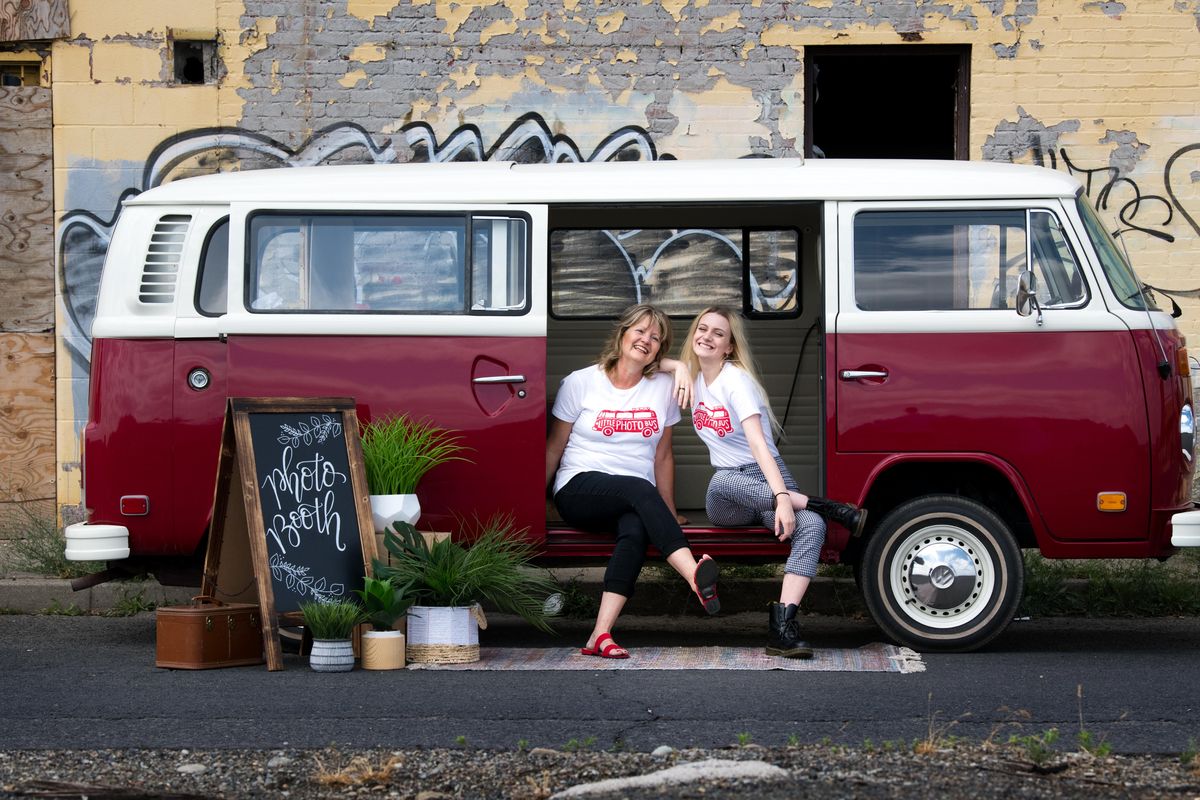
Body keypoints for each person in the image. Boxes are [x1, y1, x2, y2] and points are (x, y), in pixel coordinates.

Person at [676, 306, 866, 658]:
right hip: (731, 496)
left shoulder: (736, 381)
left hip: (766, 477)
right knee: (719, 482)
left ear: (729, 346)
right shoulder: (691, 375)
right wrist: (675, 367)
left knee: (811, 527)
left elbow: (760, 446)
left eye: (718, 333)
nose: (707, 336)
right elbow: (653, 364)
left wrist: (780, 496)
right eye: (702, 329)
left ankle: (783, 626)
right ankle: (820, 503)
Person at [546, 303, 720, 660]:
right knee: (638, 488)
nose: (646, 340)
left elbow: (663, 457)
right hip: (579, 488)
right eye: (640, 331)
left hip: (632, 498)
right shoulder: (581, 382)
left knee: (636, 529)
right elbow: (554, 448)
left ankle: (600, 633)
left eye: (656, 338)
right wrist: (533, 502)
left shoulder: (663, 388)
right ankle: (691, 572)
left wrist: (667, 512)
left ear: (660, 351)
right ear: (622, 333)